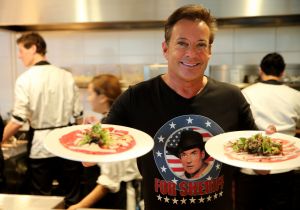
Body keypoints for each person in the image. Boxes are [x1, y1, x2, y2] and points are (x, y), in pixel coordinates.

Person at [102, 4, 273, 210]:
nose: (191, 53)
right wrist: (89, 137)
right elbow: (100, 146)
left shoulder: (232, 98)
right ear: (165, 49)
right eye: (182, 43)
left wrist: (270, 147)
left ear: (210, 51)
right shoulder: (135, 98)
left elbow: (262, 168)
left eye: (201, 45)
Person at [2, 32, 84, 208]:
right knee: (72, 197)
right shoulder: (66, 76)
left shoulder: (25, 79)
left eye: (21, 50)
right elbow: (78, 116)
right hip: (67, 145)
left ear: (33, 48)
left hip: (41, 147)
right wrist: (81, 147)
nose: (19, 55)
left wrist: (0, 139)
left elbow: (18, 120)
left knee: (42, 200)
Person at [235, 52, 300, 210]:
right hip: (284, 168)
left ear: (260, 70)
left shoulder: (246, 92)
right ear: (283, 72)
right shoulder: (296, 95)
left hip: (250, 168)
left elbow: (238, 126)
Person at [67, 74, 141, 210]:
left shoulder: (113, 130)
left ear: (102, 97)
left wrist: (79, 206)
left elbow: (109, 182)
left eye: (90, 94)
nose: (88, 99)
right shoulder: (106, 125)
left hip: (117, 201)